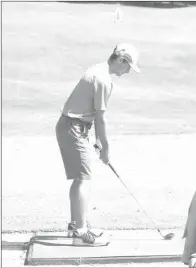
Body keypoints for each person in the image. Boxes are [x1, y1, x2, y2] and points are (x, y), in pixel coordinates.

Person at [55, 43, 140, 246]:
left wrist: (96, 140)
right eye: (128, 66)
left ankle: (76, 225)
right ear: (120, 60)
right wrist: (106, 149)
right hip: (73, 127)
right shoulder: (103, 80)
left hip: (73, 126)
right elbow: (101, 119)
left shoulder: (98, 70)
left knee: (80, 177)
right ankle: (80, 232)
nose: (129, 71)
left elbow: (88, 111)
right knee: (83, 178)